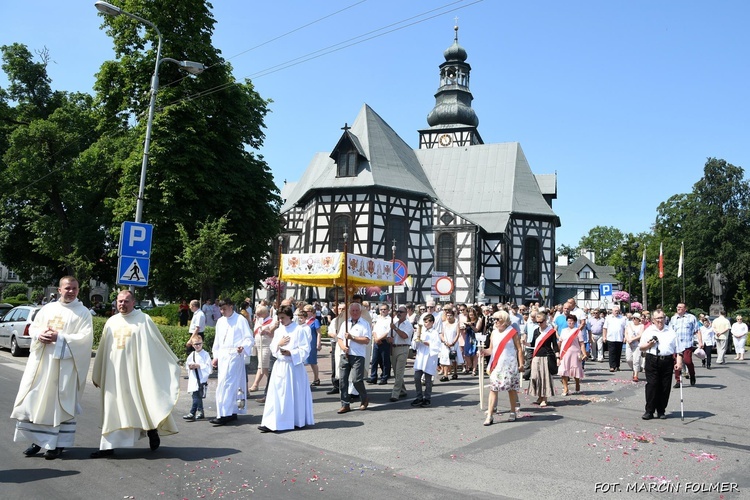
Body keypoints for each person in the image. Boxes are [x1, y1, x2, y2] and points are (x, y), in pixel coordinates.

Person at [11, 276, 93, 460]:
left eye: (74, 288)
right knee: (38, 400)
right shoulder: (48, 308)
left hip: (65, 368)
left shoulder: (83, 312)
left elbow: (85, 339)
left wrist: (60, 338)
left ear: (78, 290)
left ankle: (57, 445)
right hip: (43, 364)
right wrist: (40, 335)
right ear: (59, 290)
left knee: (59, 403)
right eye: (67, 288)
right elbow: (33, 328)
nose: (71, 291)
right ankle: (37, 441)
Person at [91, 290, 180, 458]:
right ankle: (107, 446)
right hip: (113, 375)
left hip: (136, 373)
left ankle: (151, 429)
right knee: (113, 408)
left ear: (133, 302)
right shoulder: (111, 322)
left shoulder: (143, 320)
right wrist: (98, 372)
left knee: (141, 403)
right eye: (119, 301)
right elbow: (103, 349)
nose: (122, 304)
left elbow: (155, 346)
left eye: (126, 301)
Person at [258, 305, 315, 433]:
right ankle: (272, 421)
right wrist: (279, 345)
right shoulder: (279, 331)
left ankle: (294, 420)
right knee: (277, 394)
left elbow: (305, 350)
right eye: (279, 318)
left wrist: (291, 353)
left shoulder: (299, 330)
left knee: (292, 394)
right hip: (281, 365)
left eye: (283, 318)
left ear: (290, 316)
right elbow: (273, 348)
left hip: (293, 367)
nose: (281, 320)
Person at [210, 298, 254, 426]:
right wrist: (216, 355)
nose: (222, 311)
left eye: (224, 309)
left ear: (231, 306)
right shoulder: (220, 321)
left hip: (235, 355)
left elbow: (248, 337)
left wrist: (243, 347)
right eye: (221, 309)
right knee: (226, 383)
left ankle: (225, 413)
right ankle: (231, 411)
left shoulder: (240, 319)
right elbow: (217, 340)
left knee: (227, 384)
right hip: (223, 355)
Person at [639, 310, 683, 419]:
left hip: (667, 360)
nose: (660, 320)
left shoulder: (671, 331)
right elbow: (641, 347)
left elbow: (679, 349)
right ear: (653, 320)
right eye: (657, 318)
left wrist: (679, 362)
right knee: (652, 385)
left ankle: (661, 410)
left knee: (665, 386)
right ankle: (649, 410)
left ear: (665, 318)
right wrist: (649, 344)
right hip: (652, 359)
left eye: (662, 318)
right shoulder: (648, 331)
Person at [482, 311, 524, 425]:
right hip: (497, 365)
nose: (495, 322)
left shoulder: (512, 332)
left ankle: (513, 411)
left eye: (497, 319)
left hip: (509, 364)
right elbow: (491, 350)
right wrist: (483, 352)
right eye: (494, 319)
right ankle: (490, 415)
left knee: (511, 389)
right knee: (493, 388)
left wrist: (521, 364)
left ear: (504, 321)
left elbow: (519, 349)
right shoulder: (493, 333)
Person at [337, 302, 371, 414]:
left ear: (360, 312)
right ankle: (345, 404)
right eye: (353, 311)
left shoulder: (364, 324)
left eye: (357, 311)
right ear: (350, 312)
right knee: (342, 380)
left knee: (356, 380)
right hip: (345, 355)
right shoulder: (345, 324)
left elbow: (366, 340)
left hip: (358, 355)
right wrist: (343, 347)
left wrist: (353, 337)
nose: (355, 313)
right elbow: (340, 338)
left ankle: (364, 398)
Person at [528, 311, 558, 407]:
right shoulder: (536, 331)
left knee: (545, 378)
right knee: (535, 377)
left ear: (545, 321)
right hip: (536, 356)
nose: (539, 324)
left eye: (541, 322)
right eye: (538, 322)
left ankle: (544, 398)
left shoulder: (551, 332)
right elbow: (533, 344)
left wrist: (558, 357)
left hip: (546, 356)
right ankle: (539, 396)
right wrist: (524, 343)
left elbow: (555, 345)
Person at [411, 313, 441, 407]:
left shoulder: (435, 333)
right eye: (424, 321)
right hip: (421, 356)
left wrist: (428, 344)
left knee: (428, 380)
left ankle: (427, 398)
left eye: (427, 322)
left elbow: (437, 346)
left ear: (432, 322)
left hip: (429, 357)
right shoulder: (421, 331)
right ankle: (419, 396)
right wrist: (417, 339)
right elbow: (414, 344)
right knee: (417, 377)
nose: (425, 324)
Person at [183, 333, 213, 421]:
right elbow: (187, 364)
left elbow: (209, 367)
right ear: (192, 345)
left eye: (199, 343)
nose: (198, 346)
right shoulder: (192, 355)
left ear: (202, 343)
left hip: (201, 379)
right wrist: (190, 366)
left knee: (197, 396)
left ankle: (192, 412)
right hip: (194, 379)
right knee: (196, 396)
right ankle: (200, 412)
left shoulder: (205, 354)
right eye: (196, 344)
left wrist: (199, 366)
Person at [670, 303, 699, 387]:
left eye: (680, 307)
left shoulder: (691, 318)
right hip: (676, 345)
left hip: (687, 344)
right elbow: (670, 332)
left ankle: (692, 375)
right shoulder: (673, 318)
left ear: (685, 309)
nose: (678, 308)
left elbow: (697, 330)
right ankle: (678, 381)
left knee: (688, 361)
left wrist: (700, 341)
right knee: (676, 363)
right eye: (677, 307)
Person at [389, 305, 414, 402]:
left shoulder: (408, 325)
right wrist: (389, 339)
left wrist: (395, 328)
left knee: (399, 372)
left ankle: (395, 394)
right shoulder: (395, 323)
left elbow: (404, 336)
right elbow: (388, 336)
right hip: (394, 348)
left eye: (401, 312)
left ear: (405, 313)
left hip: (403, 348)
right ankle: (402, 390)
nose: (398, 313)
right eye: (397, 311)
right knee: (396, 372)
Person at [557, 314, 586, 396]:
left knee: (575, 369)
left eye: (572, 321)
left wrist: (583, 353)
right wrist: (559, 353)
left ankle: (577, 383)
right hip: (565, 353)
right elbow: (560, 342)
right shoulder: (563, 330)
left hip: (575, 352)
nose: (570, 322)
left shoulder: (578, 331)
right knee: (563, 370)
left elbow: (582, 343)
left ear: (575, 322)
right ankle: (565, 388)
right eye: (568, 321)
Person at [249, 305, 275, 392]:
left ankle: (255, 384)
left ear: (265, 313)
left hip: (267, 346)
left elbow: (273, 334)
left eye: (259, 314)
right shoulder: (258, 320)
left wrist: (267, 332)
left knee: (262, 365)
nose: (258, 316)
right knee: (265, 367)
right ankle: (274, 382)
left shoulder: (272, 321)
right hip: (259, 345)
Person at [325, 302, 347, 395]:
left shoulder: (347, 320)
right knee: (335, 365)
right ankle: (336, 385)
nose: (341, 311)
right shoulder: (335, 320)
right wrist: (334, 335)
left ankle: (345, 386)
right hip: (335, 343)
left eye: (343, 309)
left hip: (344, 344)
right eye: (339, 309)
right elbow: (329, 332)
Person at [368, 303, 392, 384]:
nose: (383, 311)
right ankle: (373, 377)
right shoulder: (378, 318)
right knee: (374, 360)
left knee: (385, 361)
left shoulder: (389, 320)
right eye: (381, 309)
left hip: (384, 341)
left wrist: (379, 339)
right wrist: (375, 338)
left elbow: (388, 332)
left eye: (385, 309)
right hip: (376, 341)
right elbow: (374, 330)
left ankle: (384, 377)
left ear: (388, 310)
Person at [438, 305, 463, 381]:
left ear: (453, 315)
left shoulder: (456, 323)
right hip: (445, 344)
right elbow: (441, 334)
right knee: (445, 359)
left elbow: (458, 334)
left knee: (454, 358)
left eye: (450, 315)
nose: (449, 317)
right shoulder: (443, 324)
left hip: (454, 343)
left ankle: (455, 373)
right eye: (447, 315)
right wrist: (445, 342)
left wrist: (453, 343)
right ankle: (445, 375)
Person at [302, 304, 322, 387]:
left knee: (312, 362)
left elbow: (319, 333)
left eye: (307, 311)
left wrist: (318, 343)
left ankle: (316, 378)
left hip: (312, 342)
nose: (305, 313)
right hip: (303, 343)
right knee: (302, 361)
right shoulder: (302, 321)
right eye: (304, 311)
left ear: (311, 312)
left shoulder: (315, 321)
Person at [603, 305, 627, 372]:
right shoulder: (608, 318)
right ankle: (612, 366)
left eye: (618, 311)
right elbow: (605, 328)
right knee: (612, 352)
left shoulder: (623, 318)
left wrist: (625, 337)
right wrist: (604, 336)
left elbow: (625, 328)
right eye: (615, 311)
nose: (617, 312)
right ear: (612, 311)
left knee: (618, 352)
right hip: (611, 337)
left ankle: (617, 365)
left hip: (619, 337)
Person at [625, 313, 645, 382]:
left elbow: (640, 335)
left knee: (636, 360)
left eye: (635, 318)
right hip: (629, 343)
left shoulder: (641, 326)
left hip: (637, 344)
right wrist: (627, 339)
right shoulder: (629, 324)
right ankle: (634, 368)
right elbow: (626, 333)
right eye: (633, 318)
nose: (634, 319)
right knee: (629, 359)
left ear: (638, 319)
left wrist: (632, 339)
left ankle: (636, 374)